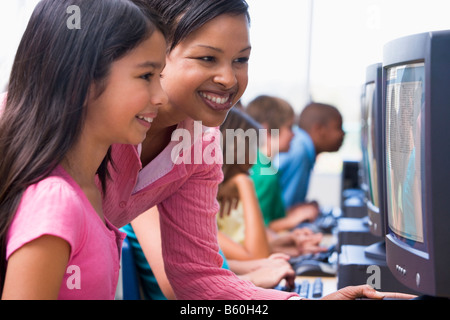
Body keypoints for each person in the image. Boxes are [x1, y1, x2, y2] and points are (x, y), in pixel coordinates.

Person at [104, 0, 413, 300]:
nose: (229, 79)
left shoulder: (201, 143)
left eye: (241, 60)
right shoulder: (102, 122)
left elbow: (198, 277)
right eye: (207, 58)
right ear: (154, 53)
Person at [0, 0, 167, 299]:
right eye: (146, 76)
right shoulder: (56, 200)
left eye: (160, 77)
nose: (160, 97)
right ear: (82, 78)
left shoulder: (92, 189)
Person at [217, 108, 326, 259]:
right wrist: (244, 182)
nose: (255, 160)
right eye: (252, 148)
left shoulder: (224, 200)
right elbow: (256, 257)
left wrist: (278, 246)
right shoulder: (199, 210)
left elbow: (245, 250)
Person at [245, 95, 321, 233]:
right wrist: (294, 219)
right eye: (289, 128)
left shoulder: (258, 165)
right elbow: (258, 228)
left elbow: (268, 215)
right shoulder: (264, 175)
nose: (294, 135)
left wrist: (293, 211)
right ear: (266, 131)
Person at [275, 102, 345, 211]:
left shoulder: (302, 146)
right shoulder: (300, 152)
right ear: (319, 129)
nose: (342, 134)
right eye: (338, 127)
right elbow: (279, 212)